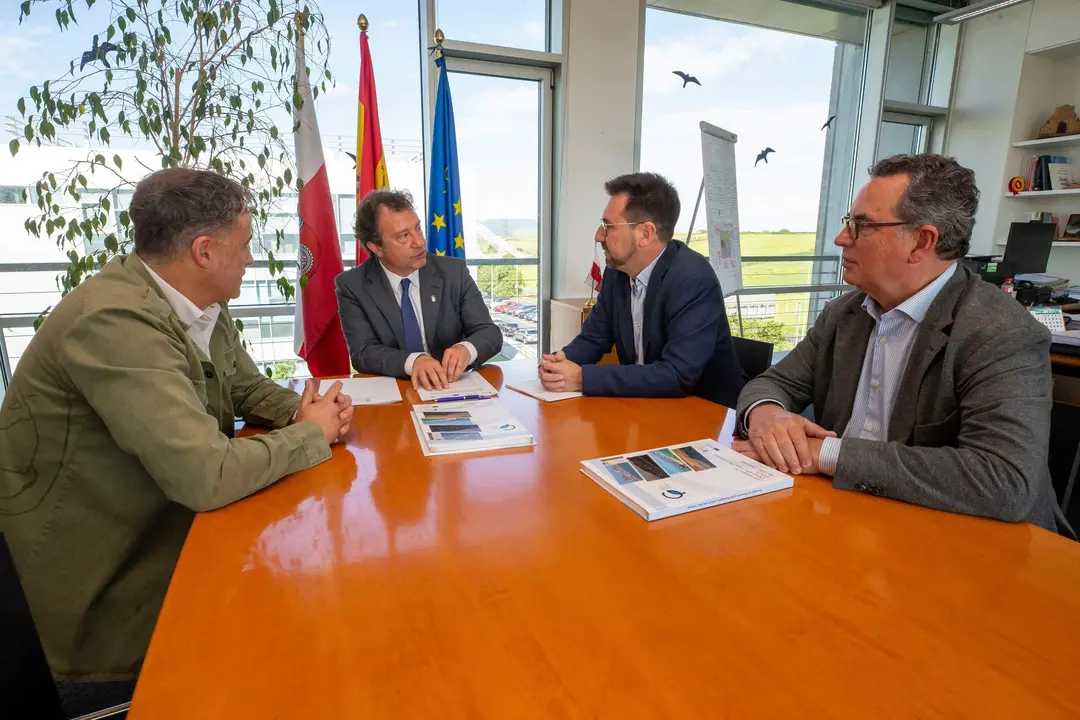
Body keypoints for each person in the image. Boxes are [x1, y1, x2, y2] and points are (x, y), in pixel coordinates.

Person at [0, 168, 353, 705]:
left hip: (166, 535)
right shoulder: (115, 322)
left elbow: (242, 385)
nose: (252, 259)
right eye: (245, 244)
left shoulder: (199, 298)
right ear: (204, 251)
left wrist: (306, 411)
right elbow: (205, 475)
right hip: (104, 601)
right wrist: (308, 436)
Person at [733, 153, 1071, 535]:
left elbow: (1004, 480)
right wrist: (767, 417)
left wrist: (825, 453)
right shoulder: (843, 314)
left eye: (861, 225)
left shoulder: (1000, 332)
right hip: (855, 519)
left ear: (921, 242)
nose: (841, 238)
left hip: (976, 547)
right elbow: (773, 383)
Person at [539, 172, 745, 407]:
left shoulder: (693, 278)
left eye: (608, 226)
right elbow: (595, 337)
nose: (598, 236)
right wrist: (559, 363)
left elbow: (677, 376)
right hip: (646, 406)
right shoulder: (617, 272)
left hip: (706, 415)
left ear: (645, 234)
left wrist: (582, 378)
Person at [336, 190, 502, 391]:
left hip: (452, 389)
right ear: (377, 248)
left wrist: (466, 349)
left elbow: (489, 332)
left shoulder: (453, 272)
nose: (419, 242)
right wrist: (413, 361)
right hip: (395, 395)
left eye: (418, 229)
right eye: (404, 236)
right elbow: (363, 353)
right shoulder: (352, 285)